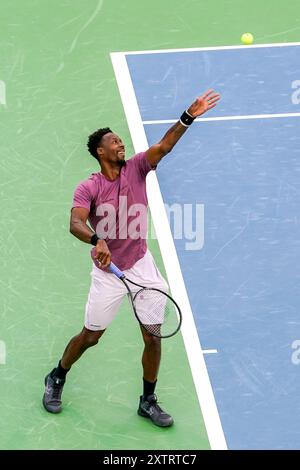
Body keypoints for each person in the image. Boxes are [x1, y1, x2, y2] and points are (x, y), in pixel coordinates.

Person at [42, 89, 220, 427]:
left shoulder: (138, 167)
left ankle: (148, 400)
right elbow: (75, 222)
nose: (121, 144)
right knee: (91, 337)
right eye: (115, 142)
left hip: (140, 266)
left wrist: (189, 116)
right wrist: (97, 239)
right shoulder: (89, 187)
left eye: (122, 140)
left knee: (152, 336)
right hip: (108, 273)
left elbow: (164, 146)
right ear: (100, 151)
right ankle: (57, 376)